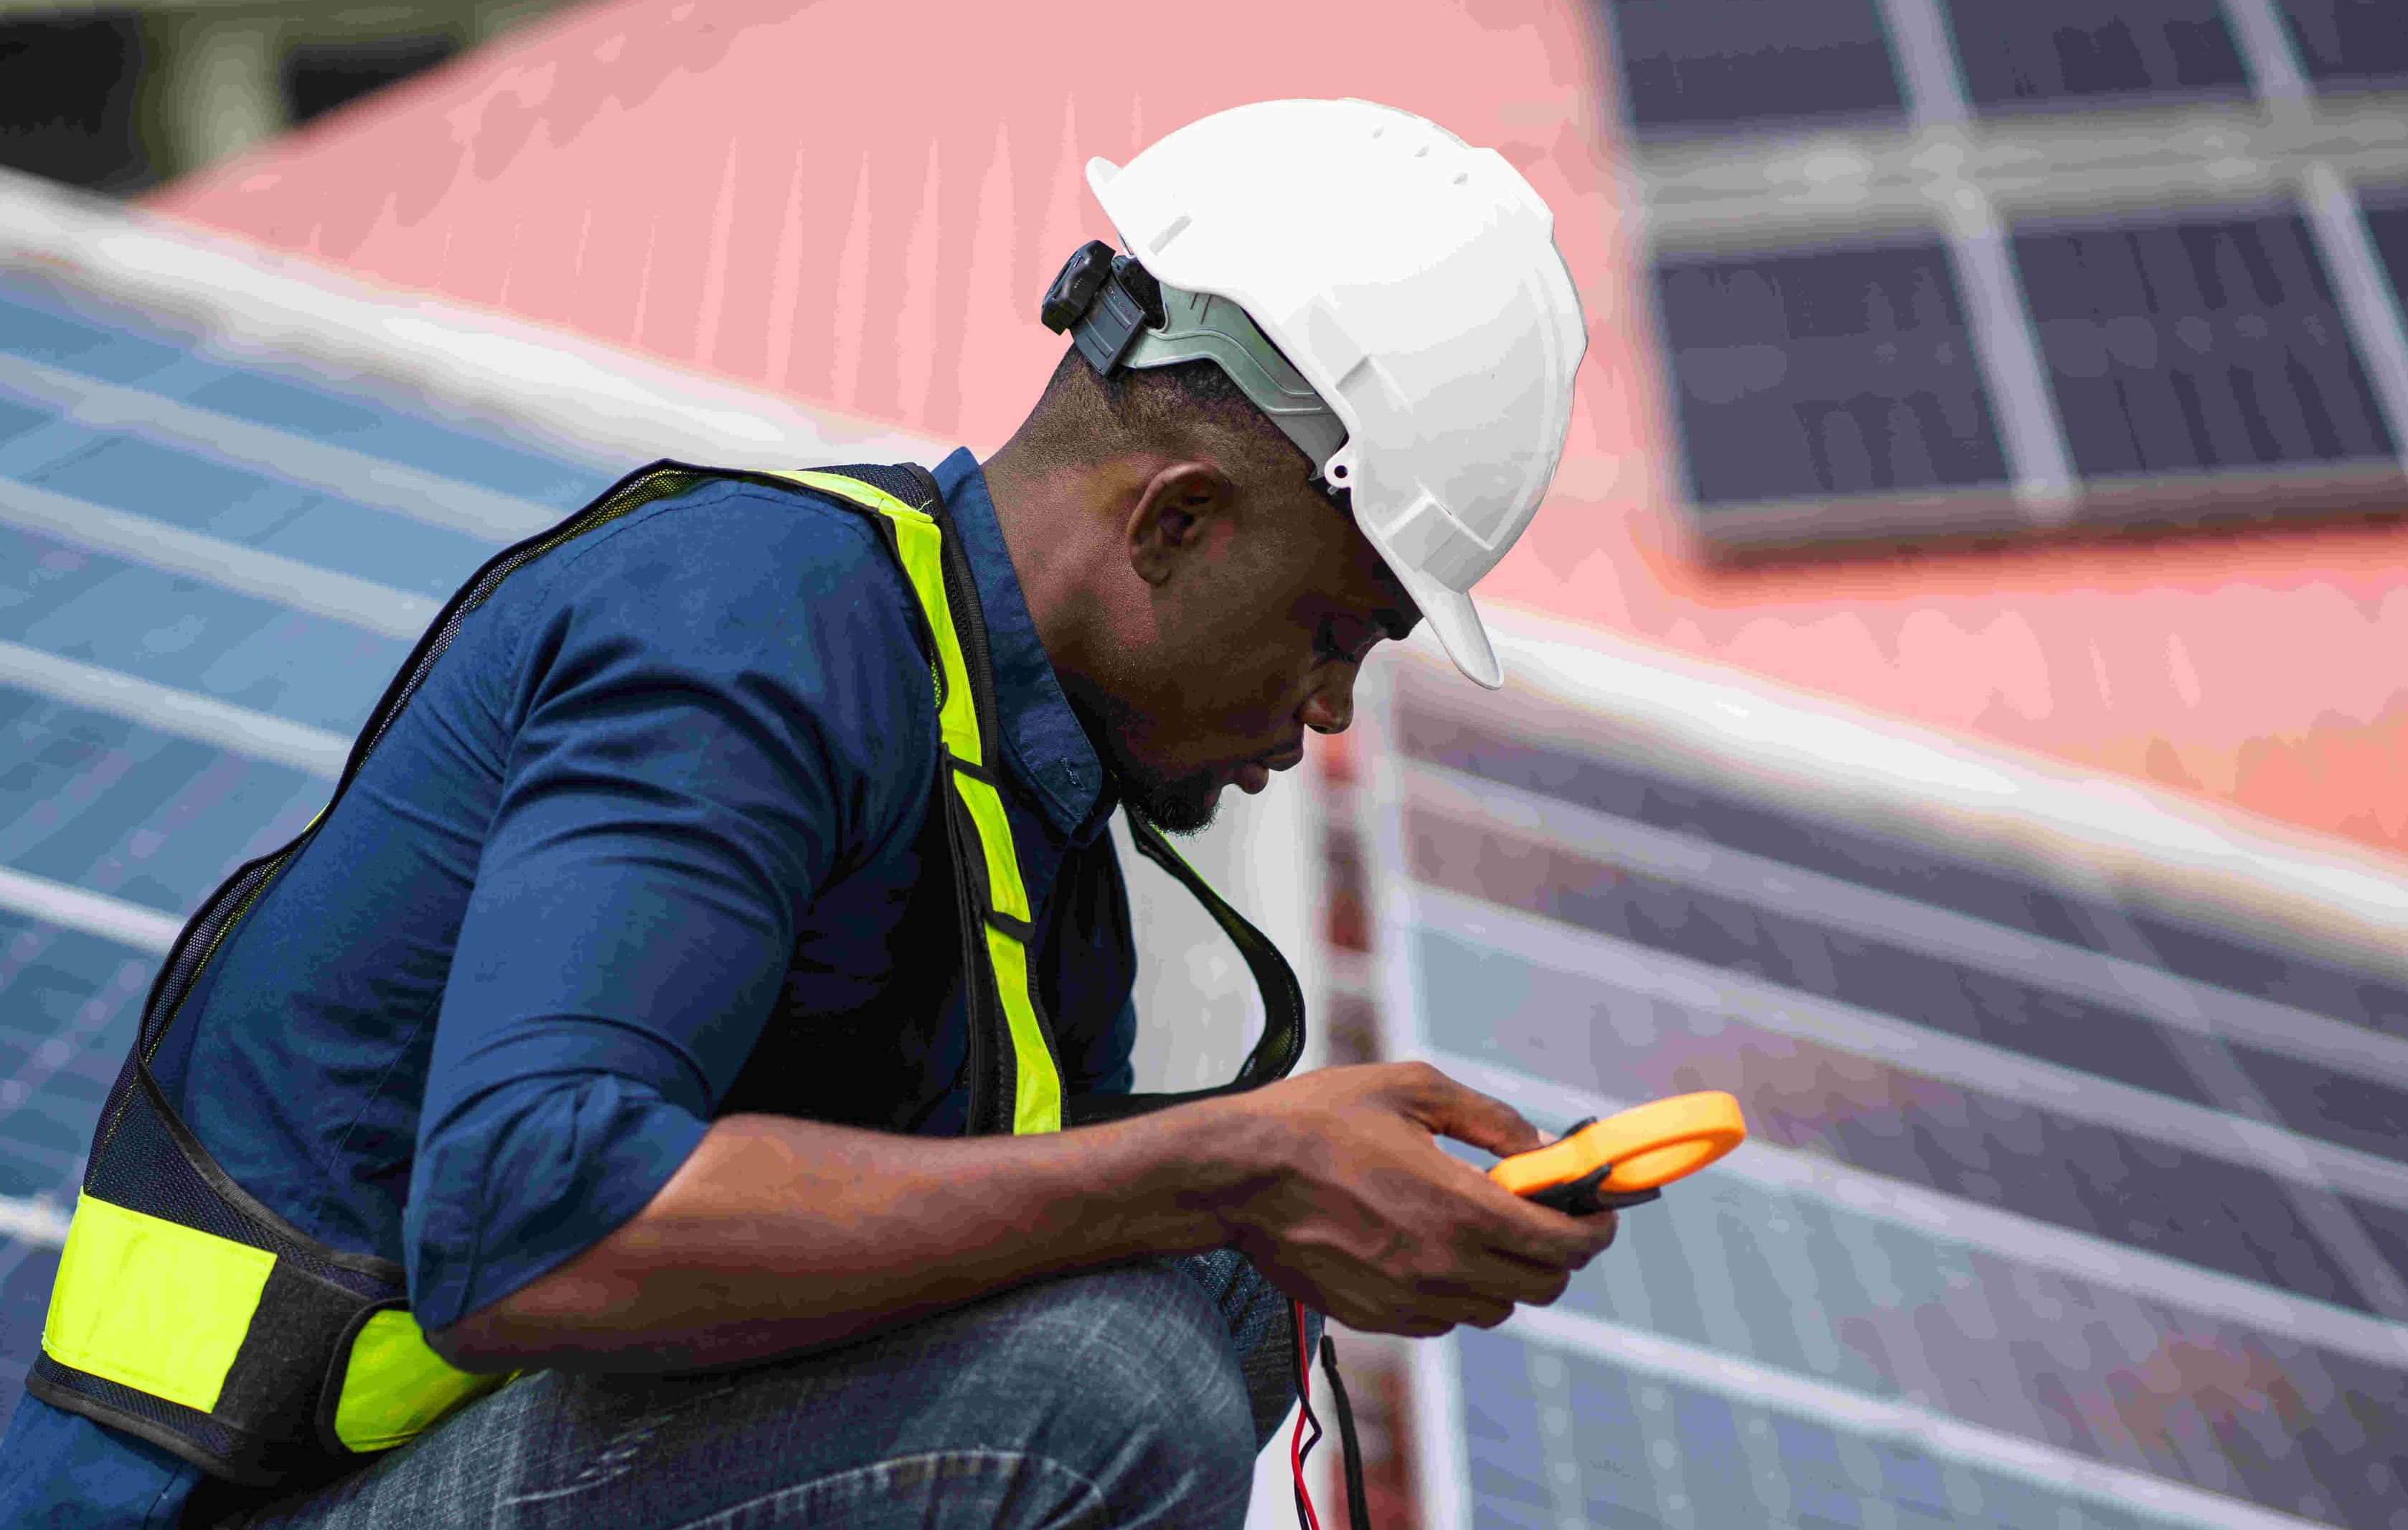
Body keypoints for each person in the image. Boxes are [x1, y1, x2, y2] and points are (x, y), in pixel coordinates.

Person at [3, 98, 1607, 1529]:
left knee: (1211, 1286)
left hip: (466, 1461)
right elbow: (526, 1224)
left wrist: (1255, 1193)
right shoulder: (745, 631)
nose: (1328, 715)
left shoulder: (1035, 824)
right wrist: (1219, 1161)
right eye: (1335, 635)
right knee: (1106, 1380)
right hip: (245, 1497)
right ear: (1177, 522)